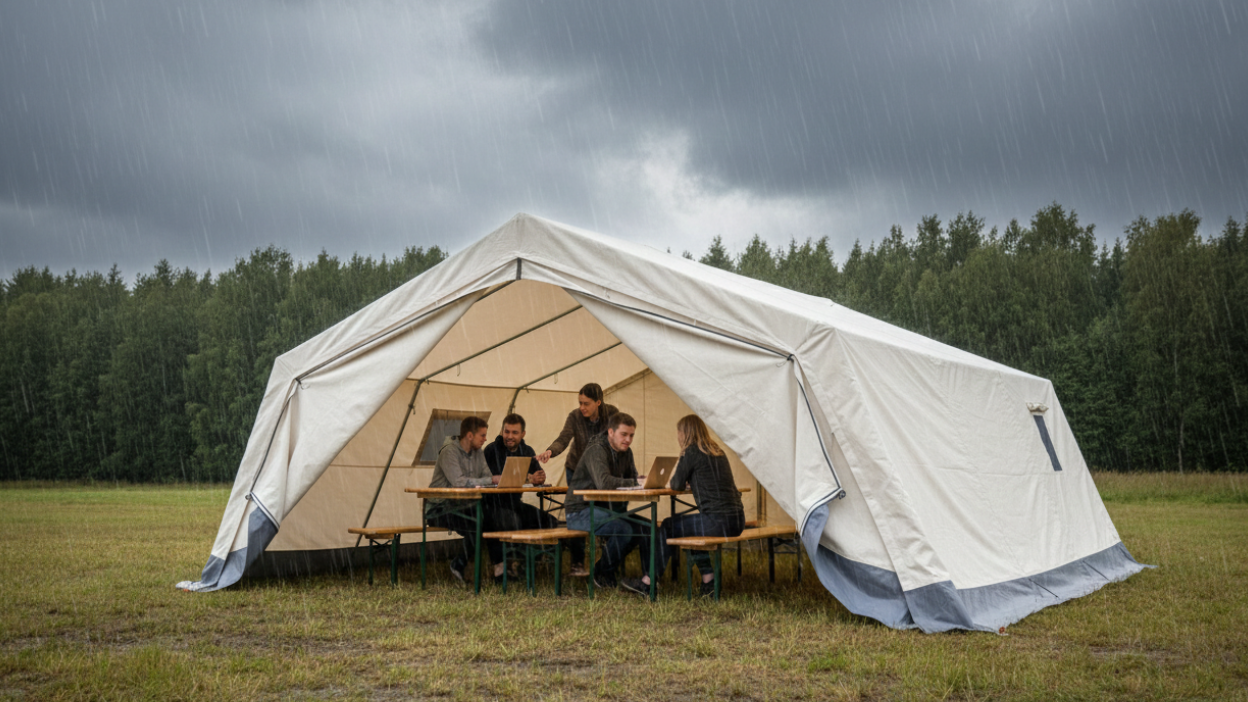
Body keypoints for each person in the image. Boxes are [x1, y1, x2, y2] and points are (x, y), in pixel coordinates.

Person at [619, 414, 744, 598]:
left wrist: (684, 481)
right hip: (737, 520)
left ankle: (648, 583)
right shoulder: (717, 451)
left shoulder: (691, 452)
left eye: (678, 433)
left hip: (717, 521)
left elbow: (676, 484)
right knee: (689, 528)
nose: (678, 437)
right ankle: (709, 581)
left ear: (684, 433)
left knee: (669, 525)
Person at [537, 382, 618, 576]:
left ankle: (607, 564)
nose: (582, 407)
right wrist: (550, 451)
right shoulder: (575, 416)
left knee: (608, 511)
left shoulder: (612, 414)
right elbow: (563, 438)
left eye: (586, 403)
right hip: (577, 470)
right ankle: (577, 564)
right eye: (580, 402)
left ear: (598, 402)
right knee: (577, 513)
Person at [426, 415, 517, 585]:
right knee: (479, 522)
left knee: (490, 517)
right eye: (482, 435)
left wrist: (491, 480)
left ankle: (499, 568)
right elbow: (459, 482)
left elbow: (487, 476)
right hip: (439, 507)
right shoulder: (449, 452)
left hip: (463, 505)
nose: (485, 439)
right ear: (469, 436)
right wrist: (489, 481)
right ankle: (461, 564)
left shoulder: (477, 453)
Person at [563, 412, 649, 589]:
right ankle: (601, 572)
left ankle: (647, 581)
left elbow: (632, 478)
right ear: (611, 432)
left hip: (604, 509)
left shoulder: (626, 452)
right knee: (624, 529)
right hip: (579, 511)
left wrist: (644, 481)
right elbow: (605, 483)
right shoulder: (596, 449)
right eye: (623, 434)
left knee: (646, 529)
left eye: (631, 435)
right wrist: (637, 482)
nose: (628, 440)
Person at [482, 413, 557, 531]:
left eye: (514, 433)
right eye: (507, 432)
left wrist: (540, 478)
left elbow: (537, 476)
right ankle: (512, 549)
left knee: (550, 522)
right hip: (492, 505)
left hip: (515, 504)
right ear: (502, 431)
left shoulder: (527, 450)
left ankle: (536, 549)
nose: (510, 436)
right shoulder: (491, 450)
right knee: (513, 522)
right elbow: (499, 479)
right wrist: (529, 479)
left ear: (523, 434)